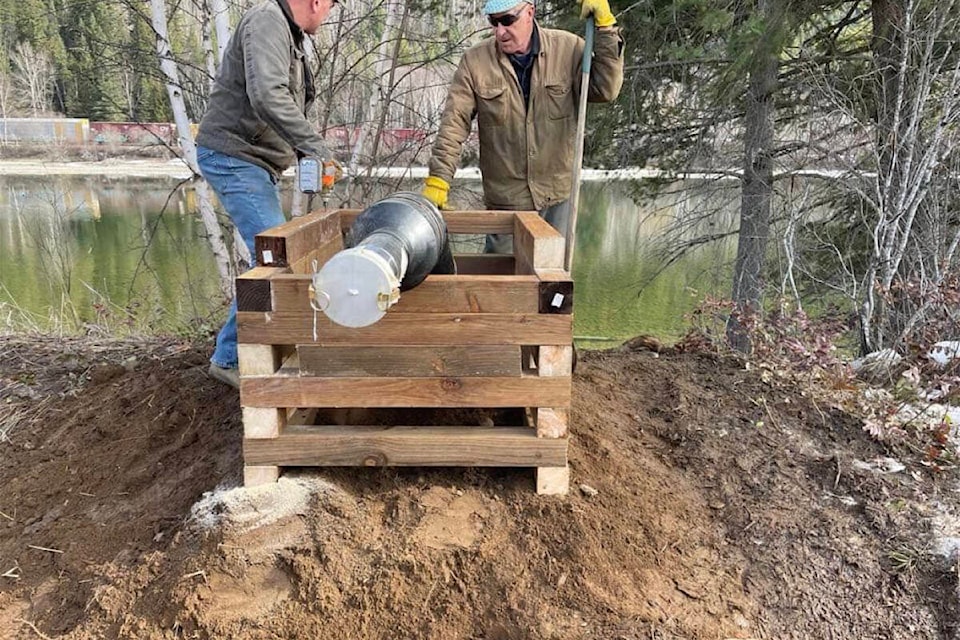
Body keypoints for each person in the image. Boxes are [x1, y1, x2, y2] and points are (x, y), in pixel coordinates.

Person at [196, 0, 338, 388]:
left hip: (253, 161)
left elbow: (281, 101)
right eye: (331, 6)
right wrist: (317, 148)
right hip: (234, 155)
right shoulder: (268, 21)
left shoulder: (287, 32)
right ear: (316, 1)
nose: (328, 14)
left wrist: (305, 153)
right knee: (276, 257)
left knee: (273, 257)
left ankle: (257, 345)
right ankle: (228, 359)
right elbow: (268, 97)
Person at [422, 0, 623, 253]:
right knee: (501, 283)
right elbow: (454, 124)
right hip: (506, 203)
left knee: (551, 284)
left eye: (507, 20)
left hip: (557, 198)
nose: (500, 31)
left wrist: (606, 30)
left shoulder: (569, 49)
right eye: (493, 22)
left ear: (530, 12)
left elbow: (606, 89)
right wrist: (438, 181)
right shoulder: (475, 62)